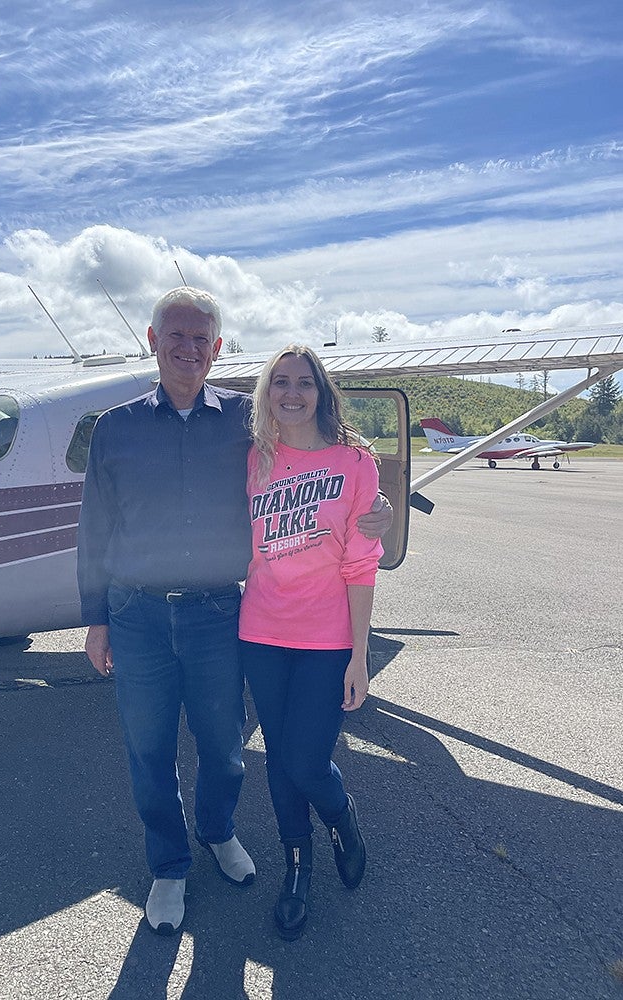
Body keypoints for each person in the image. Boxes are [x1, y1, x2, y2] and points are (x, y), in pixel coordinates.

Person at [76, 288, 392, 936]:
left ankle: (217, 832)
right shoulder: (117, 427)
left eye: (202, 340)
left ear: (218, 350)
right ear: (152, 340)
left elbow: (325, 454)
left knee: (225, 750)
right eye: (176, 337)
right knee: (149, 750)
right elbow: (95, 526)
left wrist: (378, 511)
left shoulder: (244, 425)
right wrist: (97, 616)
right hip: (136, 615)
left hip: (219, 615)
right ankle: (168, 866)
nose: (188, 350)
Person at [239, 344, 384, 941]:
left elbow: (362, 561)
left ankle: (341, 816)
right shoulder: (254, 457)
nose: (291, 393)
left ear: (322, 391)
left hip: (326, 639)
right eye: (280, 382)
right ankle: (296, 864)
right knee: (279, 758)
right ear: (266, 394)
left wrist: (359, 654)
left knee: (306, 760)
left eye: (304, 382)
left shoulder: (356, 462)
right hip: (261, 630)